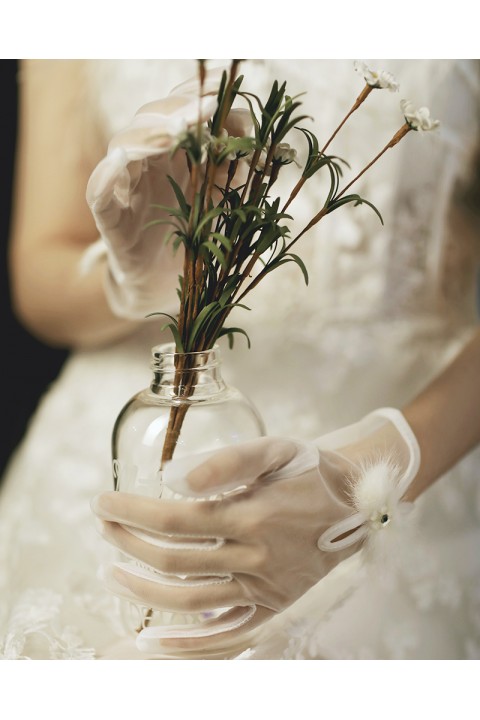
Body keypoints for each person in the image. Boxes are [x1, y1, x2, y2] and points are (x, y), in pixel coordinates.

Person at [1, 58, 479, 660]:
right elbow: (40, 272)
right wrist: (132, 281)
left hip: (426, 439)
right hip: (118, 443)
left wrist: (387, 461)